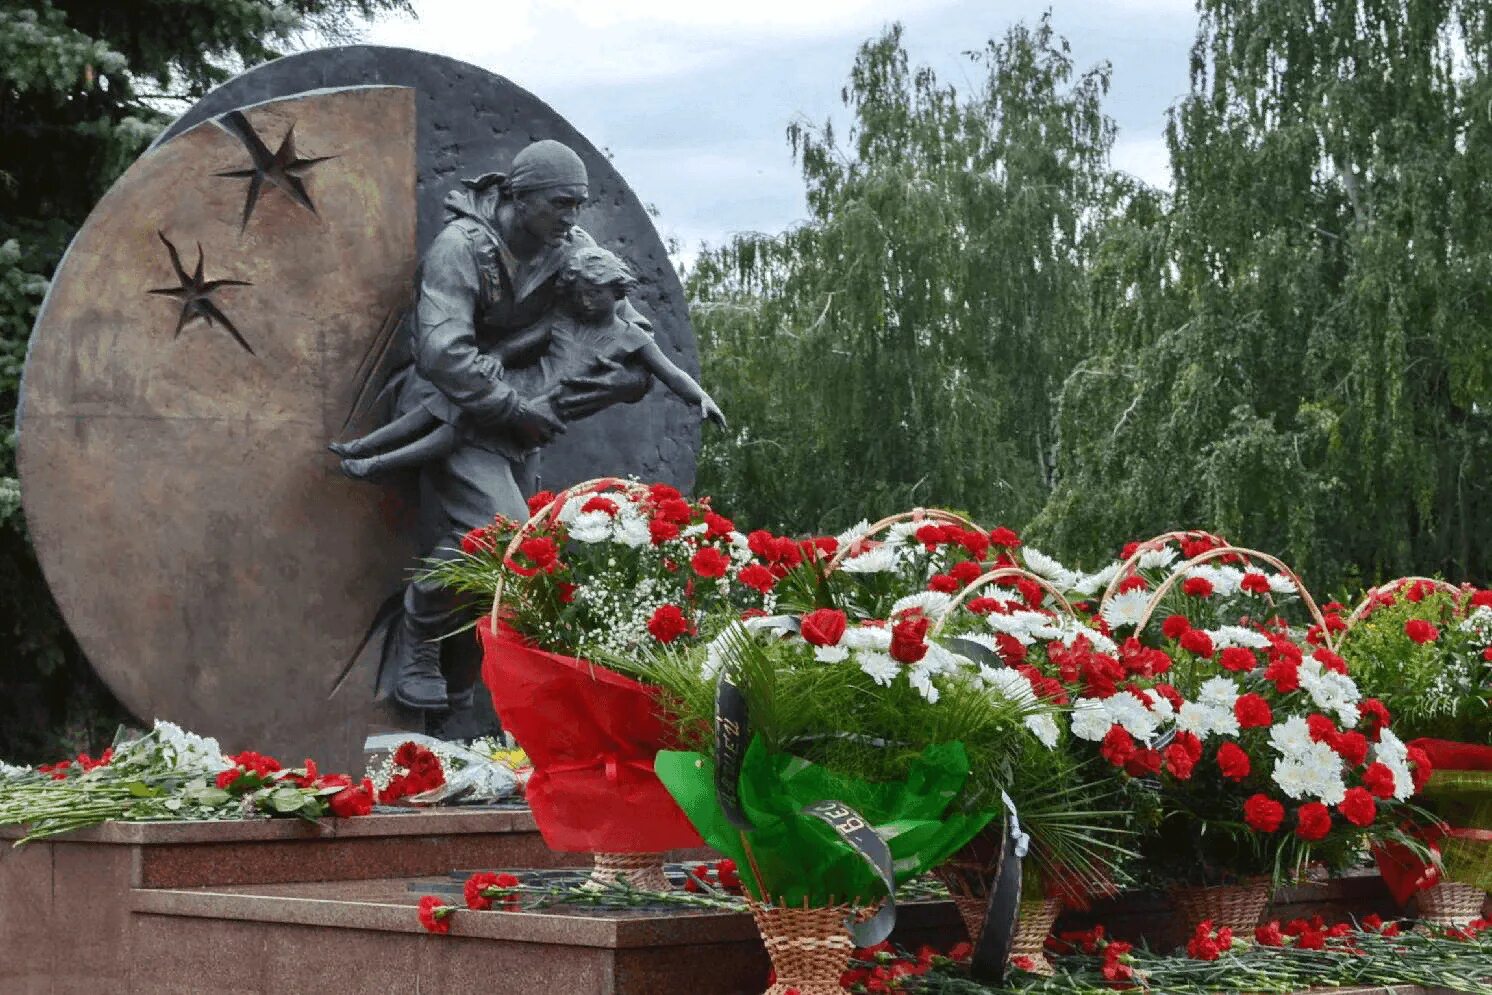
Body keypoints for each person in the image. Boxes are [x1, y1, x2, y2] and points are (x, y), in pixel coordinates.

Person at [355, 139, 658, 711]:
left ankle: (459, 668)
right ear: (520, 198)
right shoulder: (461, 248)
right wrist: (510, 406)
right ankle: (418, 637)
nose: (571, 218)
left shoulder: (570, 245)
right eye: (560, 204)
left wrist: (631, 380)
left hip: (523, 420)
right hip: (454, 407)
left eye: (578, 205)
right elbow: (443, 352)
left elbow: (629, 325)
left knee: (515, 550)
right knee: (506, 532)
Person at [332, 246, 724, 478]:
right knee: (445, 403)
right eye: (581, 294)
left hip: (544, 407)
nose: (587, 302)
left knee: (459, 429)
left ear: (616, 292)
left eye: (596, 295)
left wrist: (700, 397)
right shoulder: (564, 318)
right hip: (521, 384)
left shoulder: (631, 337)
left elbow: (670, 372)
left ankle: (378, 464)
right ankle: (362, 446)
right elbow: (513, 348)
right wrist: (495, 360)